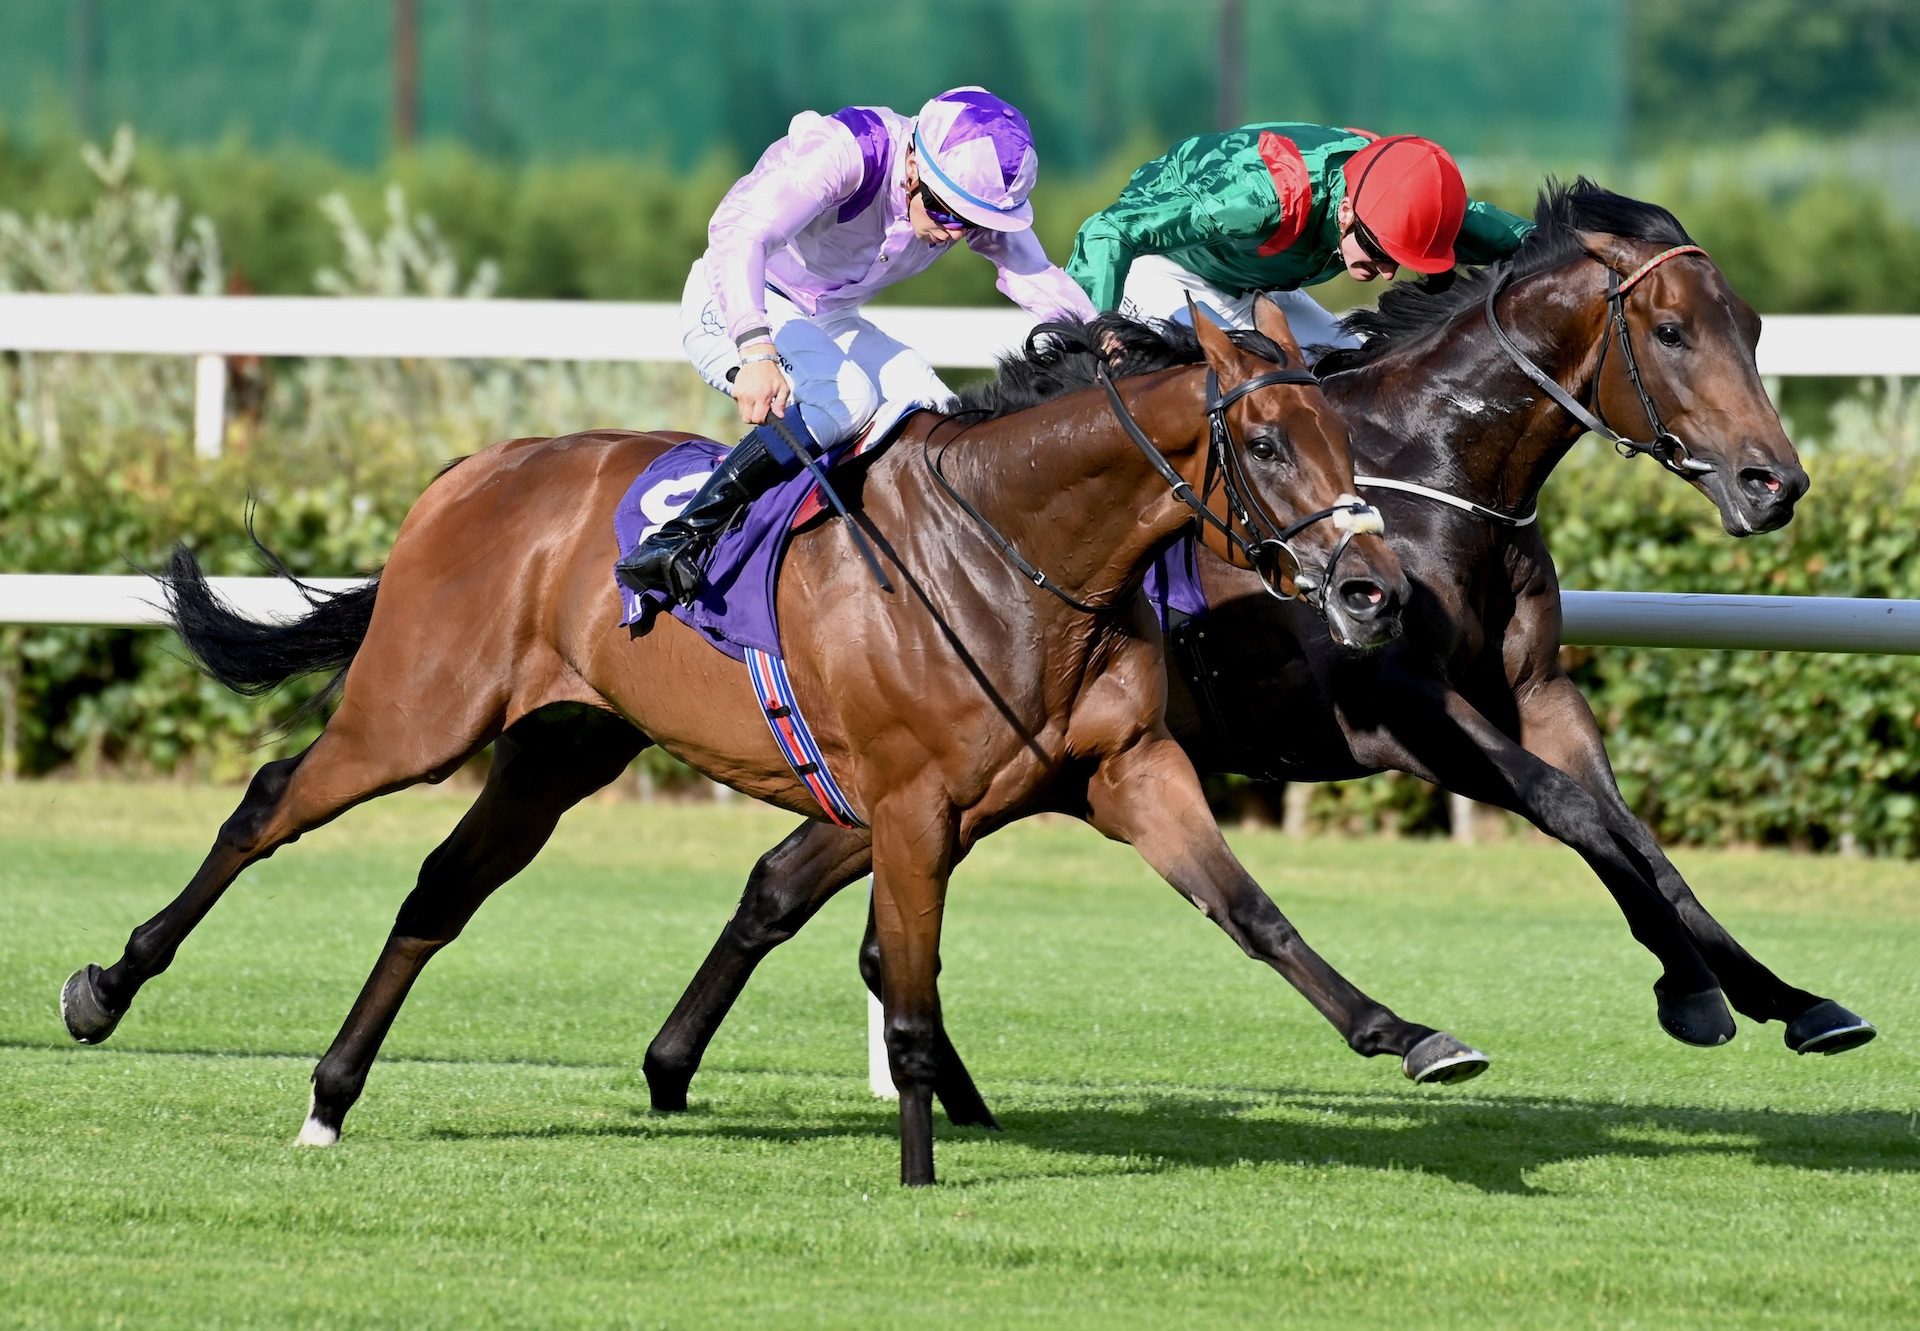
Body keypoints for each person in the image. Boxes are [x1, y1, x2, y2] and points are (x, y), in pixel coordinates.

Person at [618, 86, 1096, 603]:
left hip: (827, 316)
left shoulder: (949, 189)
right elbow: (738, 234)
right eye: (948, 213)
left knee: (939, 416)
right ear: (912, 166)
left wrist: (1102, 341)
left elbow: (1036, 275)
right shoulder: (847, 150)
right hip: (735, 300)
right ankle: (679, 538)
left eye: (973, 222)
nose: (956, 233)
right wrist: (755, 349)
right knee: (846, 399)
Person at [1066, 123, 1533, 353]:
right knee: (1238, 384)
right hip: (1165, 268)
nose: (1388, 273)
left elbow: (1535, 241)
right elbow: (1107, 230)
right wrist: (1091, 333)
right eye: (1380, 252)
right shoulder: (1256, 200)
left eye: (1400, 260)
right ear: (1346, 211)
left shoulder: (1397, 198)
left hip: (1257, 287)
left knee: (1359, 371)